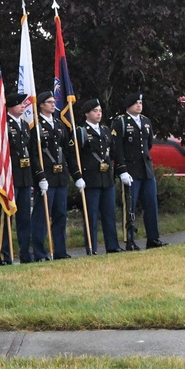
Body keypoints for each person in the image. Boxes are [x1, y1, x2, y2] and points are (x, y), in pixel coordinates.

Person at [112, 93, 167, 249]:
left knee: (151, 204)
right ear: (128, 105)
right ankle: (129, 240)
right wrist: (122, 169)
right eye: (136, 103)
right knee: (129, 206)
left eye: (140, 102)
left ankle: (153, 238)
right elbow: (118, 148)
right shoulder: (120, 122)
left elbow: (148, 144)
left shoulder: (145, 121)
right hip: (130, 170)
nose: (139, 105)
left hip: (146, 169)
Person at [70, 99, 123, 254]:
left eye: (100, 110)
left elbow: (113, 152)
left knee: (109, 214)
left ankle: (112, 245)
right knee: (91, 216)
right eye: (95, 111)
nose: (98, 113)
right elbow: (73, 156)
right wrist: (77, 176)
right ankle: (91, 247)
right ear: (87, 113)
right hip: (90, 179)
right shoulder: (81, 131)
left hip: (106, 178)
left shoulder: (106, 130)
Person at [30, 91, 70, 260]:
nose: (53, 104)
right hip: (46, 177)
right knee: (41, 217)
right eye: (49, 102)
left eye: (54, 102)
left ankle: (60, 251)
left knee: (60, 214)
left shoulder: (59, 124)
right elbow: (33, 154)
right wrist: (40, 177)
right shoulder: (35, 126)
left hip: (60, 176)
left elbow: (66, 148)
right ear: (41, 105)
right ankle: (40, 252)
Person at [6, 92, 38, 263]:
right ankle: (6, 252)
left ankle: (26, 252)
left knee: (25, 218)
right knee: (8, 217)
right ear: (11, 106)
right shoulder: (4, 124)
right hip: (11, 178)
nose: (23, 106)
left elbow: (31, 151)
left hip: (25, 178)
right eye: (19, 104)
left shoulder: (25, 125)